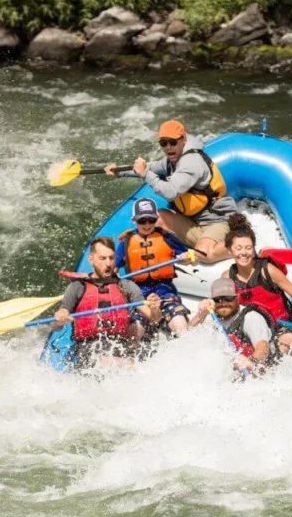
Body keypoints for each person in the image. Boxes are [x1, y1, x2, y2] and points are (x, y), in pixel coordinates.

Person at [106, 119, 236, 263]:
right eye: (163, 143)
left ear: (184, 139)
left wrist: (145, 174)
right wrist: (119, 171)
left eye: (173, 142)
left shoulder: (192, 162)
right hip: (192, 222)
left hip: (217, 221)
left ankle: (241, 244)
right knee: (157, 218)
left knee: (204, 254)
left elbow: (170, 192)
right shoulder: (171, 161)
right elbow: (148, 167)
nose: (168, 147)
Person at [52, 237, 162, 370]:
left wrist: (155, 309)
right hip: (88, 349)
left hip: (119, 345)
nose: (108, 263)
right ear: (91, 260)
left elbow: (153, 318)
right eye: (102, 258)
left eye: (111, 258)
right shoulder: (77, 287)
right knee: (125, 367)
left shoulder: (126, 286)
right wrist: (60, 319)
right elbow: (55, 327)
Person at [223, 213, 292, 355]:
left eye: (248, 247)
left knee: (284, 347)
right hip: (253, 329)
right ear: (229, 250)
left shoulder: (267, 270)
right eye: (238, 248)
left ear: (254, 248)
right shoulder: (227, 277)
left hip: (281, 327)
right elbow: (223, 309)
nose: (244, 253)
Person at [115, 198, 194, 336]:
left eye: (151, 220)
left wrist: (186, 258)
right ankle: (131, 354)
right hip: (138, 295)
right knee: (135, 330)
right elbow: (112, 268)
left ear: (156, 219)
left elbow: (188, 257)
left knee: (180, 324)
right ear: (134, 220)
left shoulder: (167, 237)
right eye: (142, 221)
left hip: (165, 292)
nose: (147, 224)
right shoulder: (126, 242)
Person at [191, 278, 272, 375]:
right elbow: (186, 336)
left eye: (228, 298)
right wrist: (201, 314)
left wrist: (251, 360)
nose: (223, 303)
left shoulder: (251, 318)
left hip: (256, 373)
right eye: (218, 299)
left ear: (237, 299)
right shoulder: (212, 317)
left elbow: (263, 346)